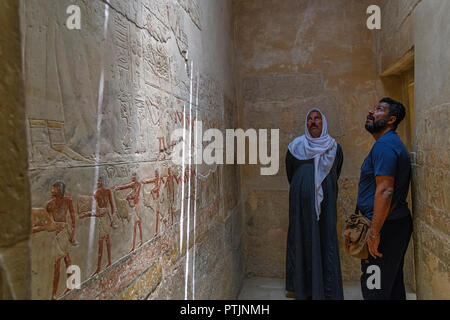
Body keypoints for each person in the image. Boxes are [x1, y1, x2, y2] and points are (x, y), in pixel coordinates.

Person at [355, 97, 412, 300]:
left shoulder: (385, 146)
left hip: (384, 228)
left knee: (374, 288)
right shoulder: (388, 143)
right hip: (393, 225)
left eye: (379, 109)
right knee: (392, 286)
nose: (371, 111)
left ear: (391, 119)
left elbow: (385, 191)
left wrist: (374, 232)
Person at [285, 108, 344, 300]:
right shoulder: (295, 147)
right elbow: (290, 172)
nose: (313, 122)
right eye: (309, 119)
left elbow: (337, 170)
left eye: (317, 118)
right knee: (302, 239)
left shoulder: (334, 147)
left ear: (323, 122)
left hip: (326, 207)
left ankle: (327, 289)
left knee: (325, 239)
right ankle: (303, 288)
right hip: (300, 208)